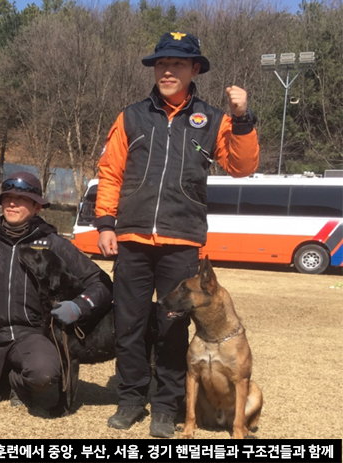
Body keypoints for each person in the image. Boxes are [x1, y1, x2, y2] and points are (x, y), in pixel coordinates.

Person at [94, 32, 259, 438]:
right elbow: (110, 172)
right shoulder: (130, 116)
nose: (168, 70)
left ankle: (166, 407)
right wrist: (105, 223)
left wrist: (242, 119)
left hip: (182, 240)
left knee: (172, 329)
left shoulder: (215, 119)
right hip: (132, 238)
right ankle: (131, 398)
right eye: (161, 64)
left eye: (178, 64)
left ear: (195, 69)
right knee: (128, 323)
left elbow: (242, 166)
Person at [0, 172, 112, 413]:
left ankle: (18, 382)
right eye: (7, 197)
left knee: (45, 375)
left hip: (33, 336)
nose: (12, 203)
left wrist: (80, 306)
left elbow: (102, 283)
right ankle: (3, 383)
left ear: (37, 207)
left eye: (21, 198)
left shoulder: (54, 244)